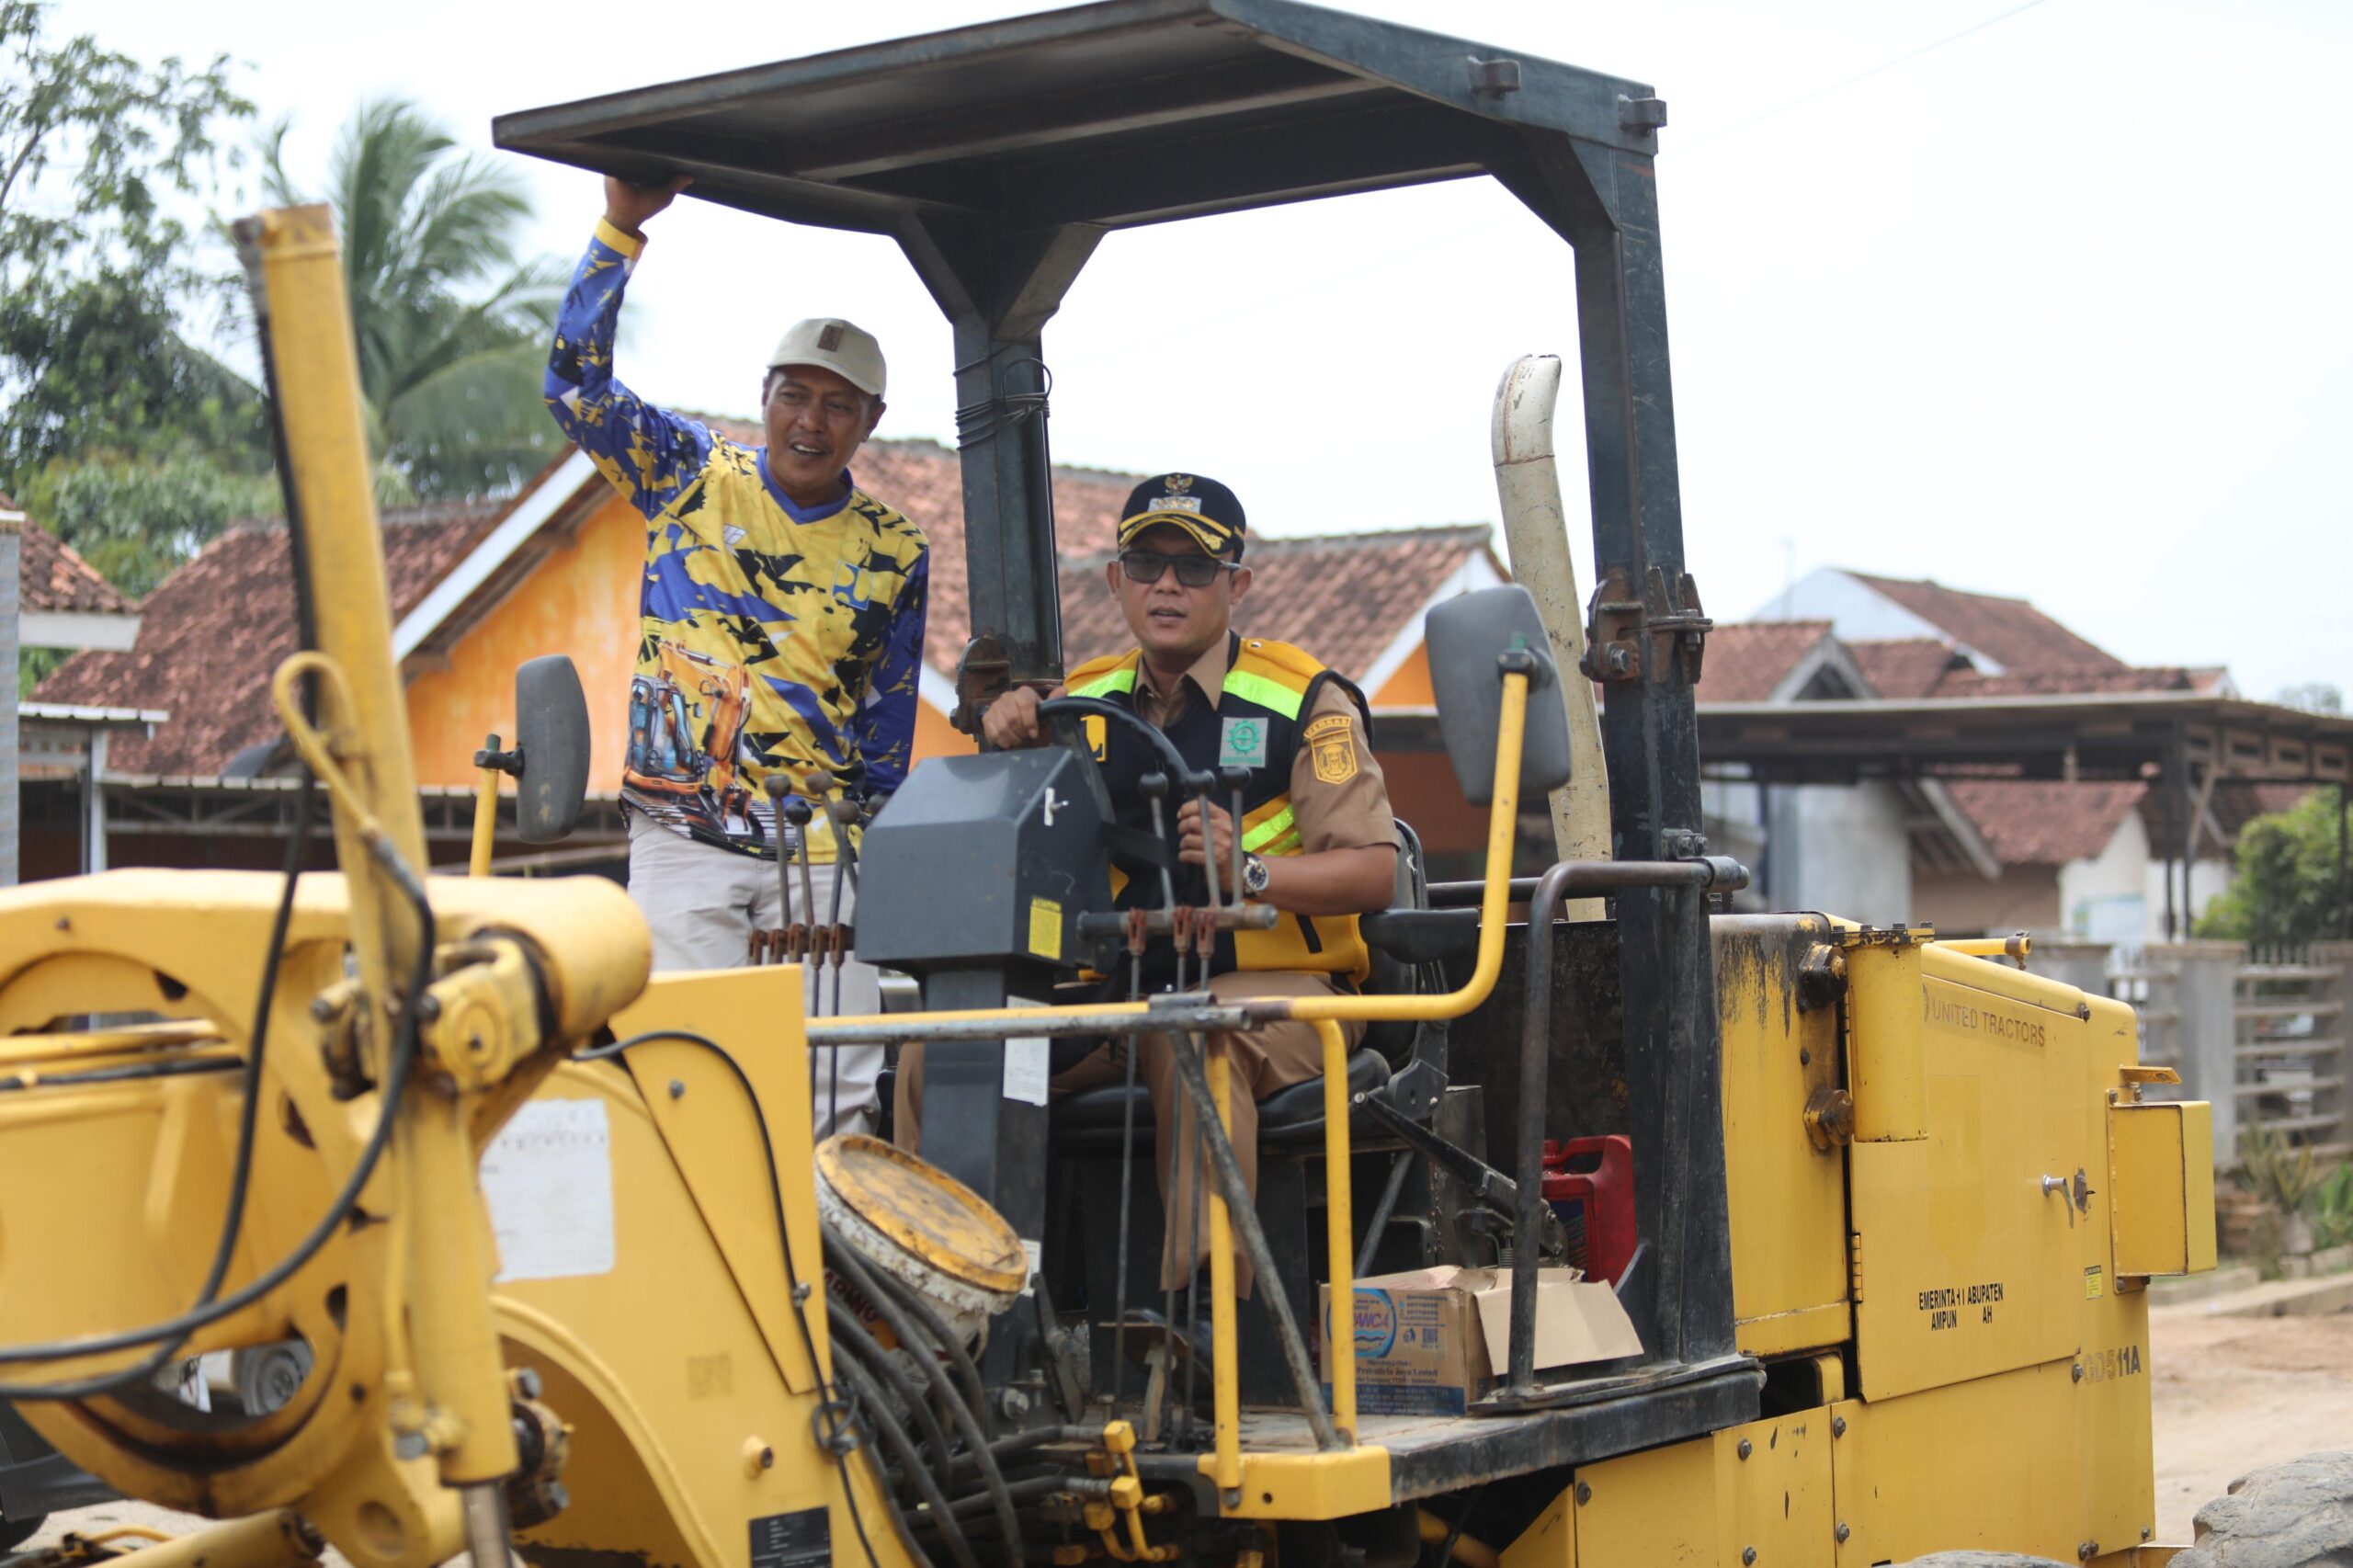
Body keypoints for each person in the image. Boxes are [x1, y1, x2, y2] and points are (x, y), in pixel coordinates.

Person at [894, 472, 1398, 1309]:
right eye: (1146, 564)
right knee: (944, 1046)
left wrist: (1251, 871)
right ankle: (941, 1308)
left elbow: (1375, 870)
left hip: (1286, 1002)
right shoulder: (1083, 705)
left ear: (1237, 584)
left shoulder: (1307, 701)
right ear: (1115, 579)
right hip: (1122, 1001)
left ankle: (1203, 1322)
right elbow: (1025, 840)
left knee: (1193, 1034)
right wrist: (1010, 729)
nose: (1167, 585)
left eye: (1194, 568)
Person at [546, 174, 927, 1138]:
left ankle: (826, 1240)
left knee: (834, 1096)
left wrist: (871, 855)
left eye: (838, 405)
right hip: (685, 832)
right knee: (684, 1075)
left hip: (819, 847)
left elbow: (886, 731)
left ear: (871, 421)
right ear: (763, 396)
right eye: (794, 395)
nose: (811, 421)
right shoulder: (688, 473)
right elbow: (576, 389)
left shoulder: (896, 549)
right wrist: (621, 227)